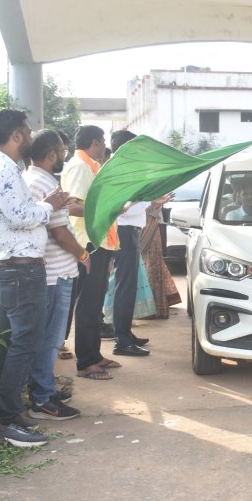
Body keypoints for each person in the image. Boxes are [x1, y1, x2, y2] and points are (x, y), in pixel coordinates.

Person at [0, 109, 69, 447]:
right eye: (27, 132)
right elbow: (19, 217)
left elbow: (17, 213)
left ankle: (4, 415)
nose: (31, 137)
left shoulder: (3, 168)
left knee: (7, 343)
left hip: (14, 270)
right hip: (20, 270)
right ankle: (5, 420)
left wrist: (43, 205)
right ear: (16, 135)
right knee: (24, 343)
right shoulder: (2, 169)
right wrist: (49, 206)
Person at [23, 130, 86, 420]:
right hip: (54, 273)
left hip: (51, 272)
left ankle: (43, 390)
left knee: (48, 336)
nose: (64, 154)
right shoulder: (44, 182)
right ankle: (42, 399)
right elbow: (60, 233)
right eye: (62, 150)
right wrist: (83, 255)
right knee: (50, 338)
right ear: (51, 154)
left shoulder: (32, 178)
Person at [61, 125, 119, 380]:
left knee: (95, 303)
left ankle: (95, 356)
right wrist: (107, 208)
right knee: (87, 304)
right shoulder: (79, 166)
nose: (103, 146)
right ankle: (85, 362)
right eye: (102, 142)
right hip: (88, 243)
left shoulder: (91, 166)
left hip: (99, 241)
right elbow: (72, 206)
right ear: (95, 143)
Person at [109, 130, 152, 357]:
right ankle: (122, 341)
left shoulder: (124, 168)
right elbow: (126, 207)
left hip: (128, 230)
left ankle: (125, 333)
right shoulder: (121, 170)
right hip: (124, 231)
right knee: (124, 287)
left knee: (127, 286)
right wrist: (150, 198)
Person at [141, 197, 182, 318]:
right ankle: (144, 308)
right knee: (142, 267)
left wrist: (156, 204)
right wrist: (153, 203)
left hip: (152, 228)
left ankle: (153, 307)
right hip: (141, 229)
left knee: (153, 266)